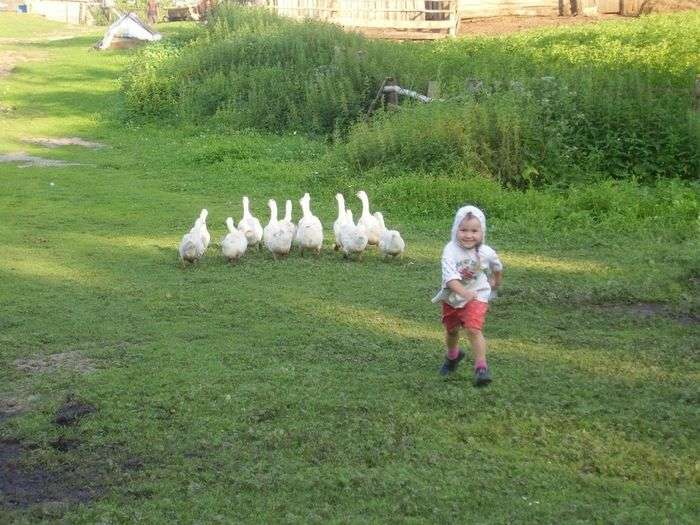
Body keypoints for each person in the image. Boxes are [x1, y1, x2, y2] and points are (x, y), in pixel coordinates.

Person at [432, 205, 503, 386]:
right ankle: (453, 356)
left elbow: (497, 266)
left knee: (473, 329)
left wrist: (496, 281)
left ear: (482, 231)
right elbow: (450, 280)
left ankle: (481, 368)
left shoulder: (486, 252)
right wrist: (464, 293)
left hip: (477, 294)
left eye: (474, 230)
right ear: (456, 229)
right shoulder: (450, 250)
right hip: (453, 297)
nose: (469, 235)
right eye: (463, 230)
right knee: (452, 330)